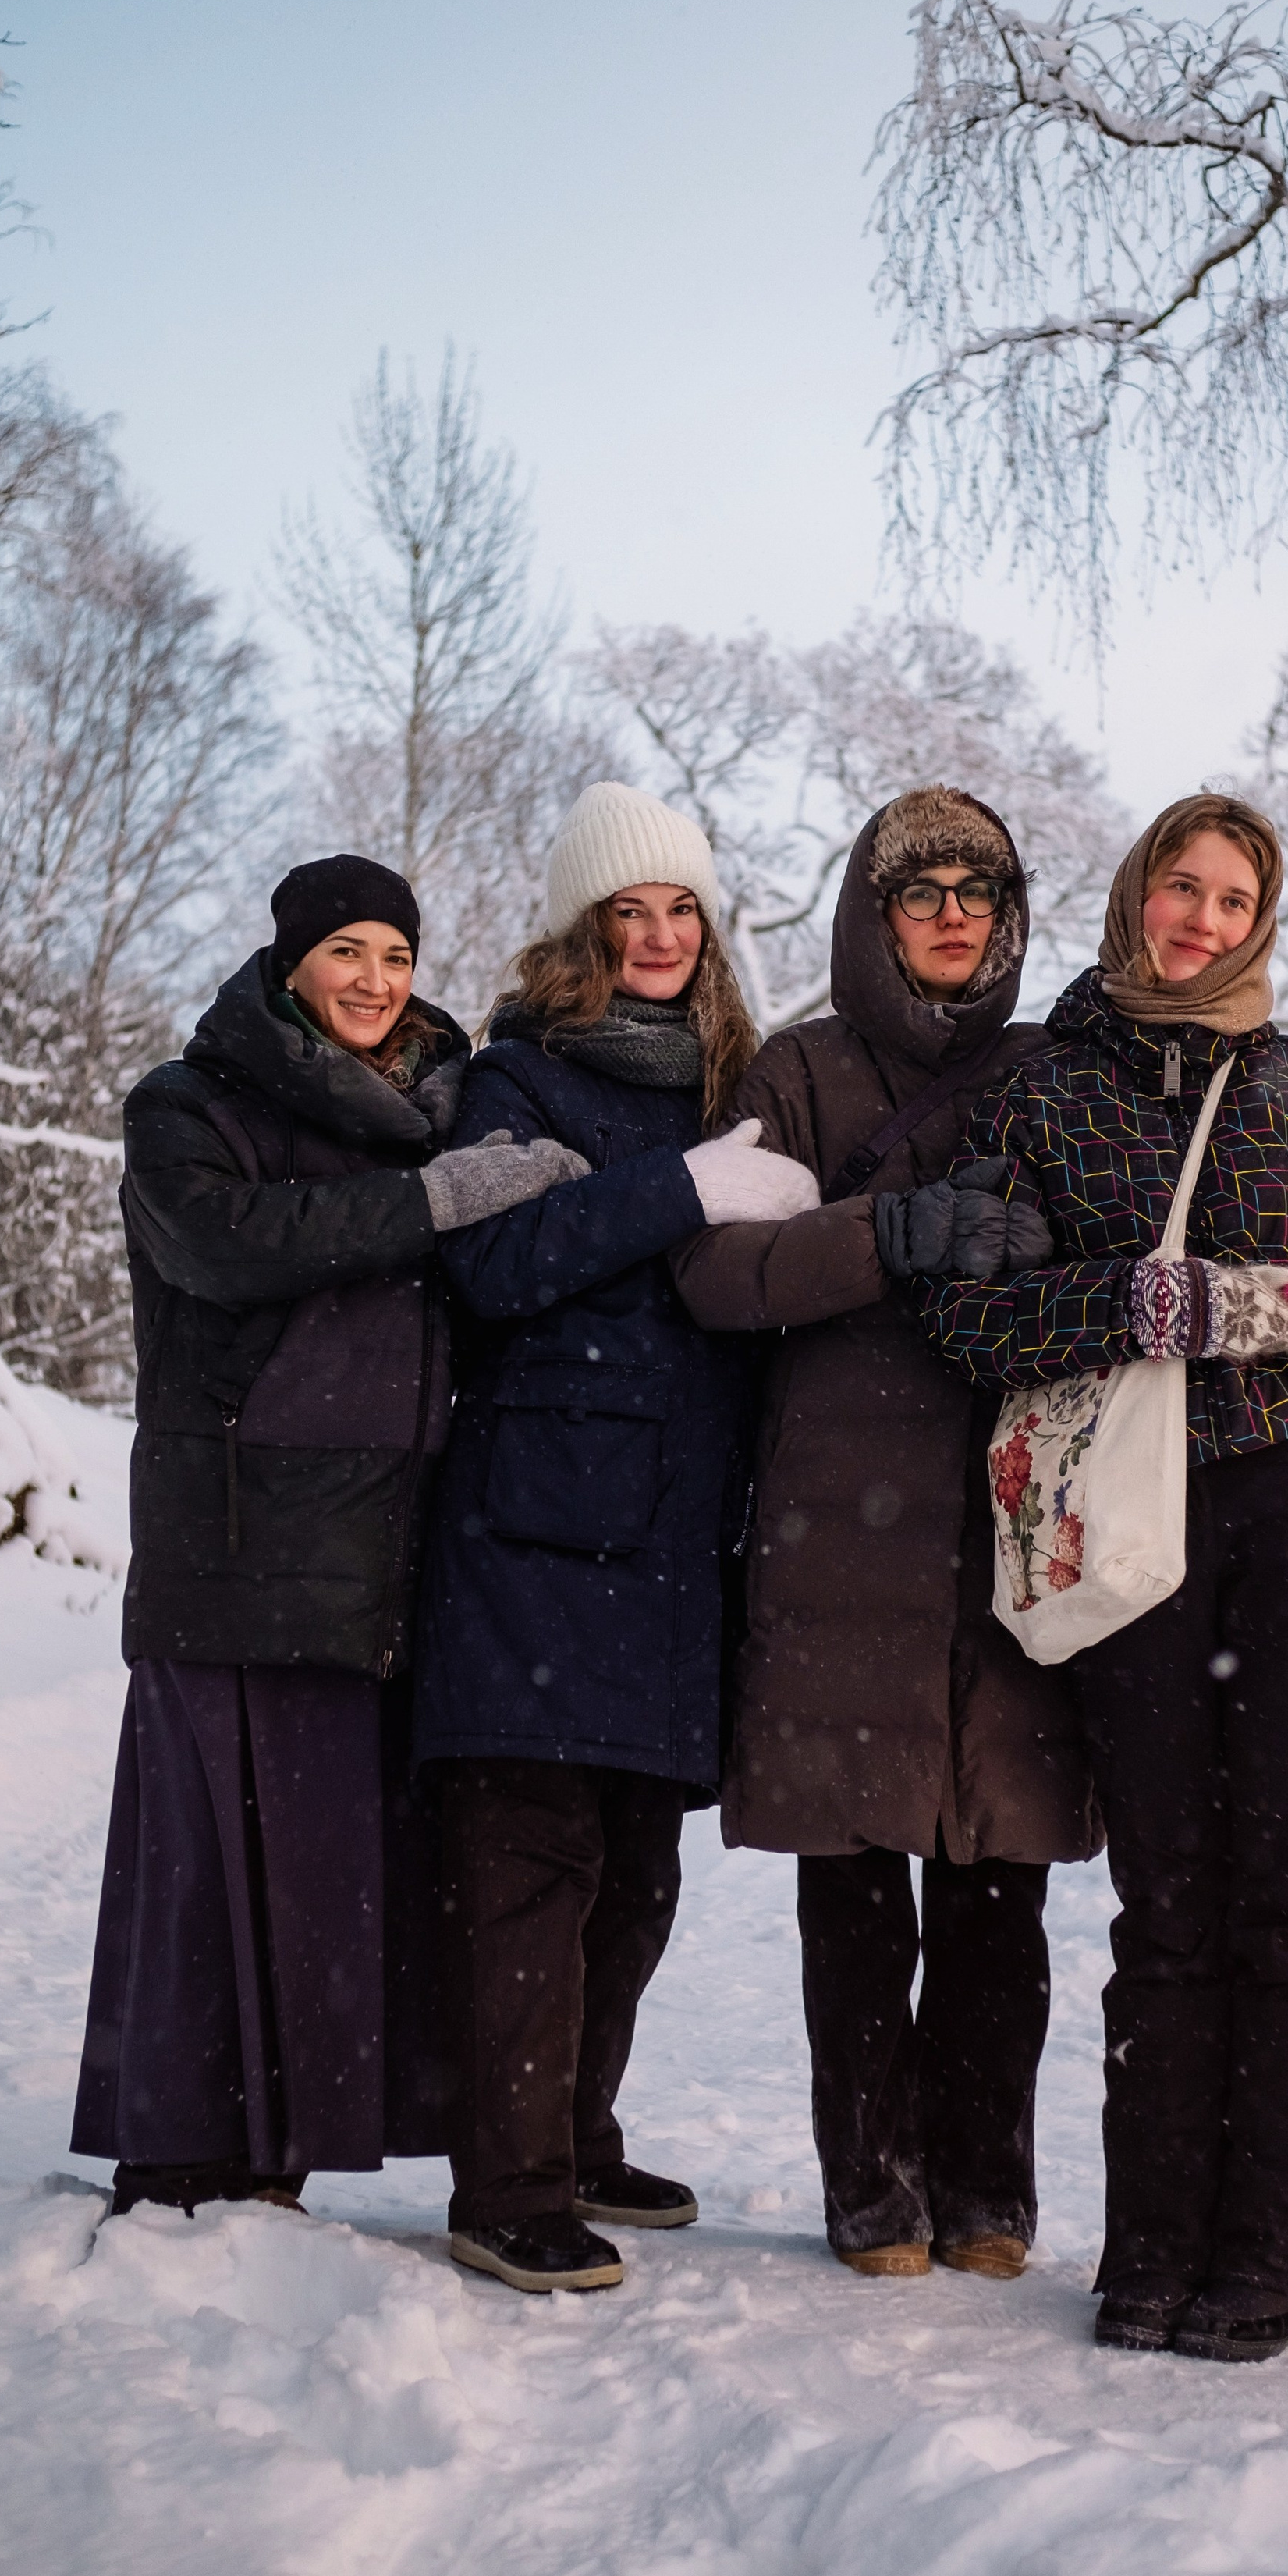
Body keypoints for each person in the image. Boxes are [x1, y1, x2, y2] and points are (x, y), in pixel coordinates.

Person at [923, 792, 1288, 2362]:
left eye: (1235, 901)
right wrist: (1138, 1306)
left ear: (1260, 923)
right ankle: (1151, 2249)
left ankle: (1269, 2263)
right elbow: (968, 1318)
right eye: (1183, 887)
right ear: (1135, 895)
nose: (1203, 921)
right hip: (1127, 1519)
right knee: (1164, 1901)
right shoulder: (1037, 1090)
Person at [72, 853, 587, 2218]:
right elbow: (232, 1245)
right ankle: (181, 2156)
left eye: (397, 958)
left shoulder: (435, 1114)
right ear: (291, 960)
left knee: (326, 1882)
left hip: (392, 1557)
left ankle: (282, 2165)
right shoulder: (188, 1107)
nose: (375, 981)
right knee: (208, 1866)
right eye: (348, 952)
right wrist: (441, 1202)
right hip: (236, 1547)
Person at [673, 785, 1099, 2281]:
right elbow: (715, 1271)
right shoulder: (796, 1075)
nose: (954, 919)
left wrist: (1061, 1243)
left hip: (1015, 1529)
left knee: (1002, 1894)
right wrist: (890, 1235)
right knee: (855, 1892)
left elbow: (1127, 1247)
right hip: (838, 1537)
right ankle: (872, 2189)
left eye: (978, 895)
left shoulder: (1064, 1070)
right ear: (874, 914)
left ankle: (989, 2191)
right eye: (922, 896)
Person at [413, 781, 820, 2294]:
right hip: (527, 1538)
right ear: (585, 931)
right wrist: (683, 1191)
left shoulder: (730, 1085)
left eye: (679, 910)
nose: (657, 934)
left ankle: (573, 2135)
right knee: (528, 1865)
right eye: (627, 912)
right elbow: (496, 1257)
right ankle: (501, 2186)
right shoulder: (514, 1082)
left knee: (636, 1871)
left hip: (670, 1554)